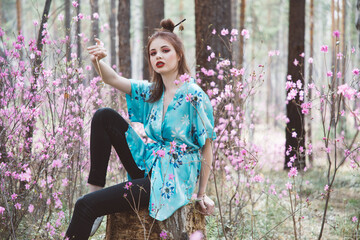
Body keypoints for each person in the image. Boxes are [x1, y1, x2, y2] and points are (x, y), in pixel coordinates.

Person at [65, 18, 216, 239]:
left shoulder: (194, 95)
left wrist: (201, 194)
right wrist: (98, 59)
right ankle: (95, 190)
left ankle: (92, 206)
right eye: (153, 53)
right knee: (103, 116)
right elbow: (112, 78)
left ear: (179, 54)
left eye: (165, 51)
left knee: (85, 206)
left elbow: (207, 146)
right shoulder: (152, 91)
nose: (159, 56)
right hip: (148, 162)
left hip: (172, 178)